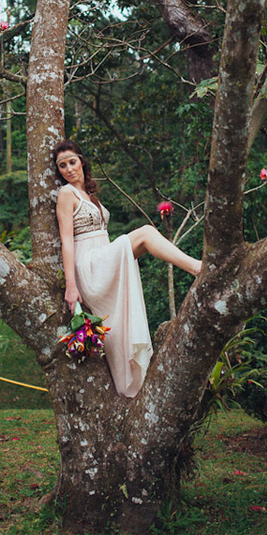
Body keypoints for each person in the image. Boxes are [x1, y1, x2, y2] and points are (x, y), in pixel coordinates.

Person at [53, 140, 202, 398]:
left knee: (121, 321)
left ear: (81, 161)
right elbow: (67, 241)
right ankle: (197, 267)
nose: (68, 169)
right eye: (62, 165)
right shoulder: (66, 194)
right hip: (89, 265)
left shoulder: (90, 196)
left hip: (103, 257)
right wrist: (71, 286)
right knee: (145, 233)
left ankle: (130, 385)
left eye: (72, 162)